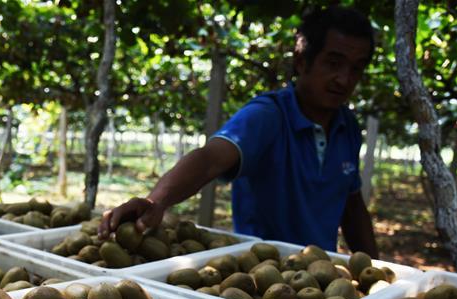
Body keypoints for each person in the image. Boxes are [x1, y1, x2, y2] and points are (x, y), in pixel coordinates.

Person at [99, 6, 379, 257]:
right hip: (260, 275)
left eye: (356, 69)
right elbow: (210, 158)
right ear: (302, 60)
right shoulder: (269, 115)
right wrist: (155, 201)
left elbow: (351, 206)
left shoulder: (349, 127)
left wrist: (376, 271)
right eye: (333, 63)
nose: (344, 79)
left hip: (319, 277)